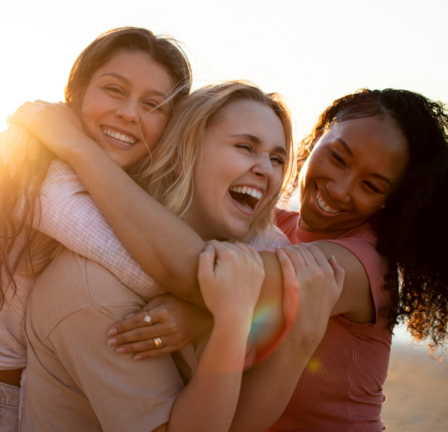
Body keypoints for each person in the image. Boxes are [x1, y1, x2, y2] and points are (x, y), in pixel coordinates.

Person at [8, 88, 448, 431]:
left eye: (372, 185)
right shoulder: (271, 227)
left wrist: (81, 152)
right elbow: (235, 295)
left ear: (392, 202)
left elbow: (202, 275)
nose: (339, 187)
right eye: (337, 157)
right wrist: (210, 309)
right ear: (316, 139)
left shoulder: (360, 267)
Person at [0, 27, 194, 432]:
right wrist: (202, 309)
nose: (130, 113)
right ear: (76, 94)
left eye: (153, 105)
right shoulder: (38, 169)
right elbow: (149, 271)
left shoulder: (107, 185)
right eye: (115, 90)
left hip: (2, 402)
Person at [18, 81, 345, 432]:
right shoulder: (93, 291)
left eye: (277, 158)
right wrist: (232, 321)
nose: (267, 170)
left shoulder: (244, 265)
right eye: (245, 146)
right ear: (180, 155)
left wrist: (300, 338)